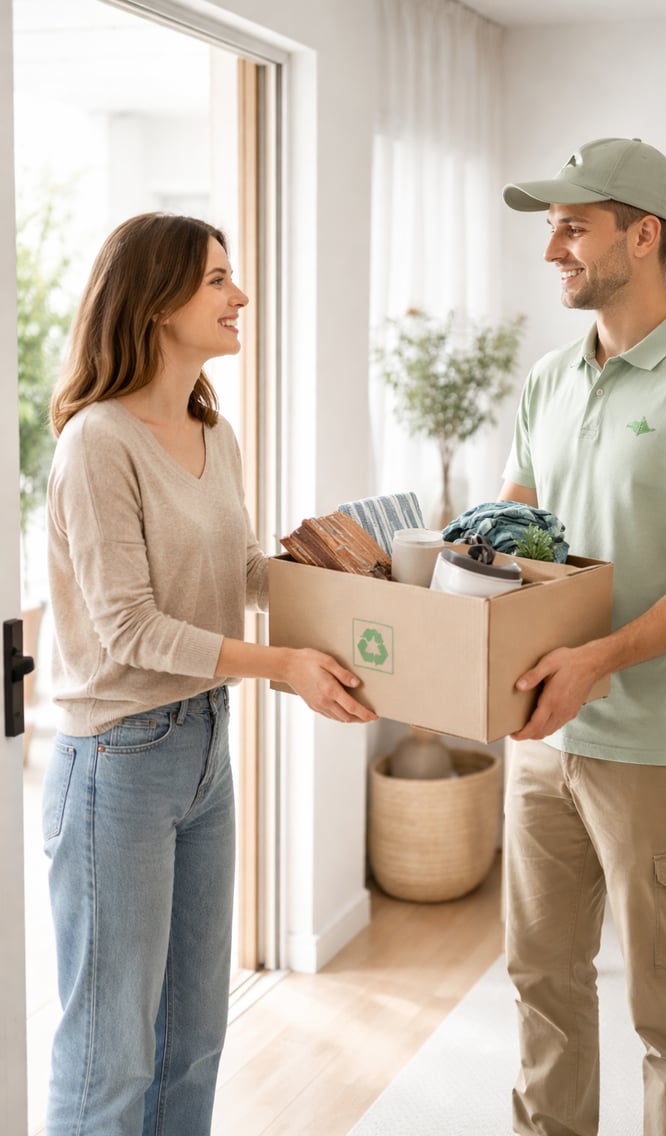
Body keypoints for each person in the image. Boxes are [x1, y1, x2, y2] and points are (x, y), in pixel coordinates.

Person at [42, 212, 377, 1136]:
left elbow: (236, 578)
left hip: (201, 745)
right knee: (108, 1055)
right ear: (155, 302)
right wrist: (285, 665)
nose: (239, 296)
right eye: (217, 280)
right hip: (117, 763)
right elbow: (129, 626)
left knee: (191, 1040)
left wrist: (341, 576)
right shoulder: (98, 443)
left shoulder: (210, 431)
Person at [498, 138, 666, 1136]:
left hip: (662, 750)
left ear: (642, 235)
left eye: (573, 225)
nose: (552, 249)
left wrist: (598, 659)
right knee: (540, 979)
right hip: (542, 740)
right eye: (550, 228)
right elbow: (512, 543)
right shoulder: (547, 380)